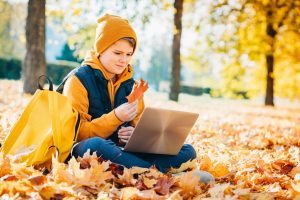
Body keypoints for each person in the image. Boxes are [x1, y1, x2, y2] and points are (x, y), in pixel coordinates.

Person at [63, 14, 214, 181]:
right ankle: (163, 177)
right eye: (118, 53)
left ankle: (142, 172)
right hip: (86, 150)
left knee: (188, 151)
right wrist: (116, 117)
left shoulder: (131, 85)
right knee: (97, 145)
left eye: (129, 54)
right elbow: (78, 134)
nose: (123, 60)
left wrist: (134, 135)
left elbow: (140, 127)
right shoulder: (78, 80)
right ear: (101, 49)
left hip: (120, 153)